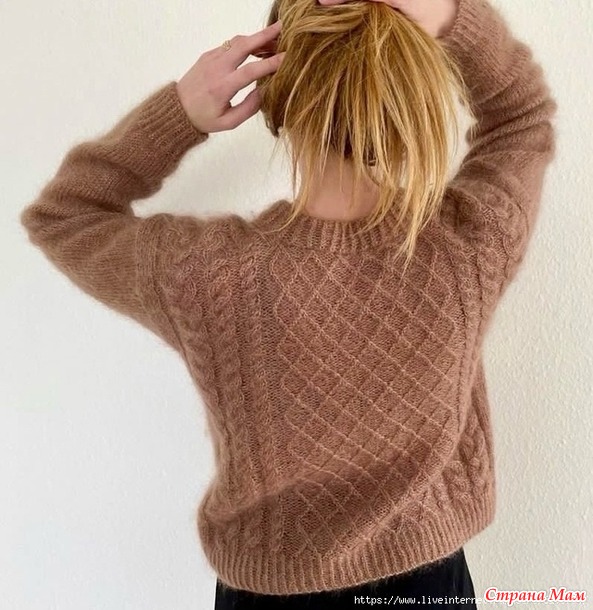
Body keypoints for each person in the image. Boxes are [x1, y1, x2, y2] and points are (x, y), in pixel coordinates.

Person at [19, 0, 558, 607]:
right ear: (412, 88)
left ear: (277, 96)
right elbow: (522, 116)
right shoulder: (467, 245)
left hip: (268, 592)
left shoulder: (208, 274)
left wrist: (181, 112)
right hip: (428, 584)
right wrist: (450, 14)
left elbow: (63, 215)